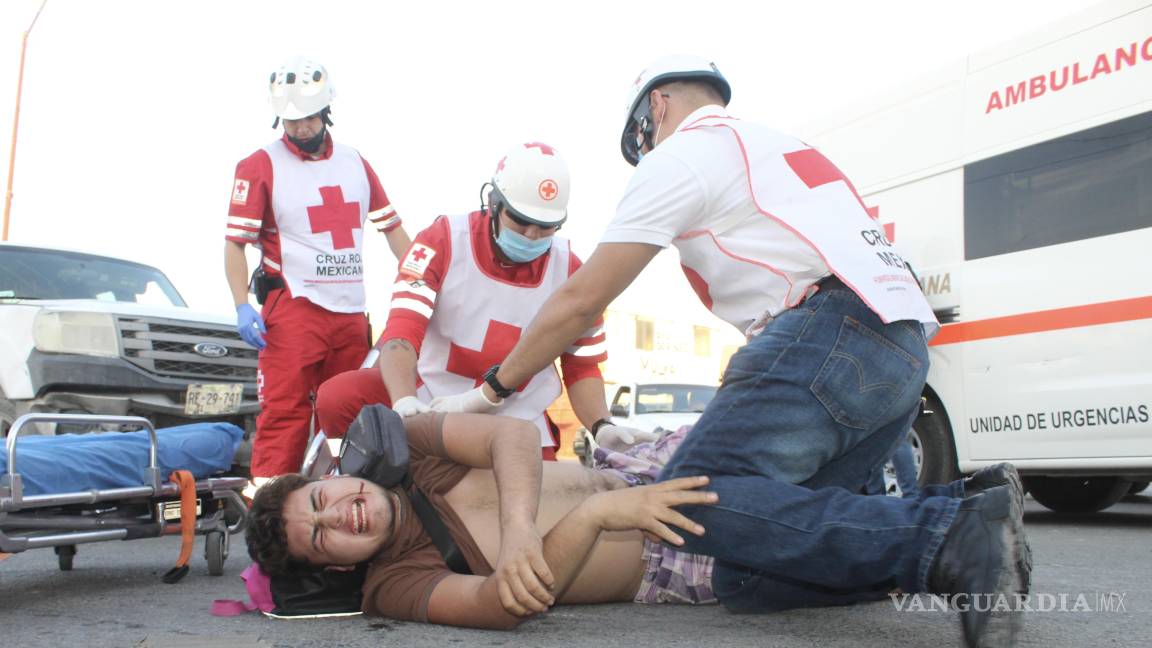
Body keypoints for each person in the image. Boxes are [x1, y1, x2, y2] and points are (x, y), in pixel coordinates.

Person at [435, 55, 1031, 647]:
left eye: (641, 136)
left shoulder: (680, 157)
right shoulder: (773, 144)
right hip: (900, 343)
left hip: (832, 329)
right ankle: (977, 507)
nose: (644, 148)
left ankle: (950, 535)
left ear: (657, 107)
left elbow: (581, 301)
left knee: (695, 503)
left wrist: (492, 391)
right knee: (746, 575)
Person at [245, 412, 1023, 631]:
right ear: (341, 565)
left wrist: (520, 533)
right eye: (325, 536)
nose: (339, 515)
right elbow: (502, 604)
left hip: (643, 466)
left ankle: (956, 522)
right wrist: (598, 520)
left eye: (322, 499)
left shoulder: (410, 453)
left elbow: (511, 432)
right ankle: (964, 515)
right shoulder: (394, 584)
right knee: (816, 568)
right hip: (666, 567)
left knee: (793, 497)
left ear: (334, 476)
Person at [313, 143, 650, 460]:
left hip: (516, 414)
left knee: (541, 501)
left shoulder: (571, 270)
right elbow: (401, 332)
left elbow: (582, 365)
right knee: (337, 398)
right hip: (430, 397)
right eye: (520, 221)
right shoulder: (442, 240)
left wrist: (601, 426)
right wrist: (404, 401)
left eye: (545, 228)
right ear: (493, 202)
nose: (531, 236)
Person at [223, 56, 412, 490]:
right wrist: (239, 305)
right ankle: (270, 522)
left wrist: (422, 281)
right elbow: (235, 243)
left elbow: (393, 230)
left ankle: (346, 507)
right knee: (285, 414)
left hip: (350, 313)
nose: (300, 129)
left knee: (349, 416)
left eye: (307, 118)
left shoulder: (354, 163)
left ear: (326, 111)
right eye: (290, 121)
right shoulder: (260, 165)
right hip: (294, 309)